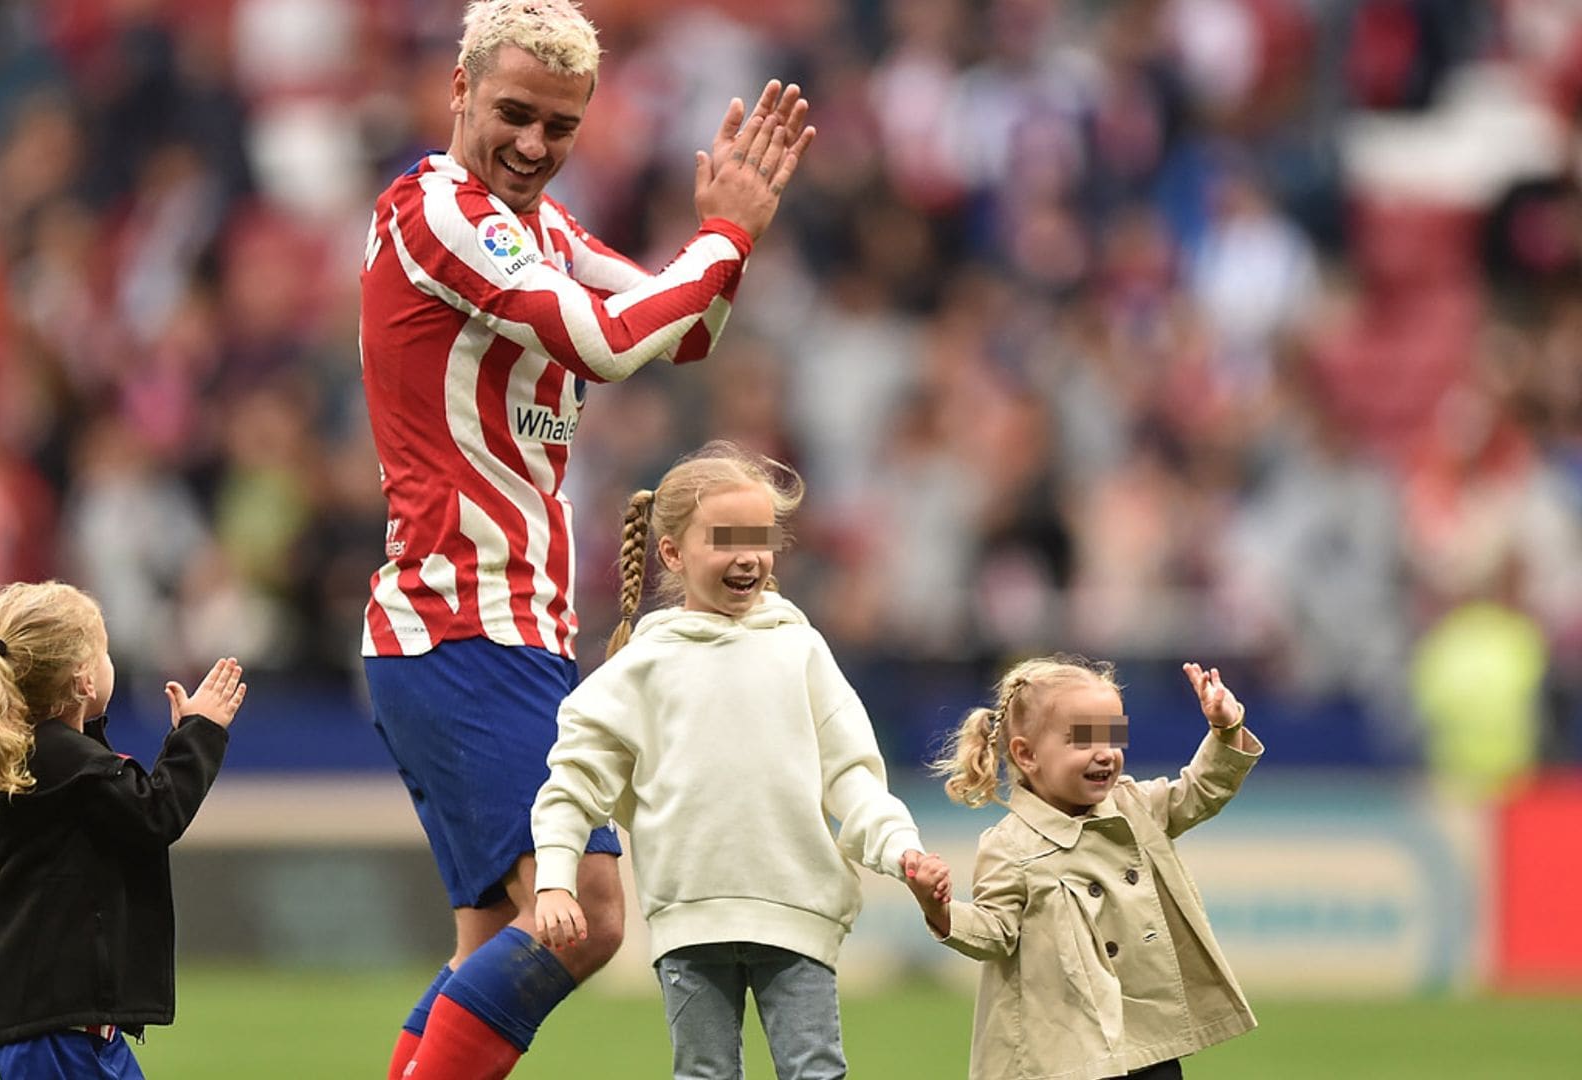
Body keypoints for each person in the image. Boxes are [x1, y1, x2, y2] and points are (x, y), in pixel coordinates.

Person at [357, 1, 815, 1076]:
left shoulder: (538, 232)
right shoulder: (436, 212)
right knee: (589, 912)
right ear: (459, 89)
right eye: (514, 113)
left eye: (561, 127)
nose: (533, 145)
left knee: (490, 941)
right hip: (463, 618)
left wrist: (728, 230)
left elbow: (686, 330)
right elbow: (612, 344)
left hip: (486, 629)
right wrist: (722, 238)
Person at [529, 441, 943, 1079]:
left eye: (761, 537)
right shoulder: (641, 665)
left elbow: (853, 779)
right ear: (672, 552)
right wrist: (555, 878)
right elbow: (573, 781)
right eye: (726, 538)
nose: (748, 555)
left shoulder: (801, 650)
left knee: (815, 1070)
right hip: (688, 925)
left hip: (799, 915)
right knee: (705, 1074)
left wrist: (899, 849)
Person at [0, 580, 247, 1080]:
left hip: (58, 1025)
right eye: (103, 652)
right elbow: (155, 813)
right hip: (61, 1027)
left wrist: (175, 738)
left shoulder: (36, 756)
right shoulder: (68, 761)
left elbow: (117, 804)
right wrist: (201, 734)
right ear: (84, 679)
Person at [912, 657, 1262, 1080]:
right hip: (1064, 1053)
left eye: (1113, 738)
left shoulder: (1134, 806)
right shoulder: (1009, 846)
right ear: (1026, 754)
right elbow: (996, 932)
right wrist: (940, 910)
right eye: (1083, 740)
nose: (1106, 754)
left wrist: (1224, 730)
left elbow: (1201, 791)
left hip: (1144, 1041)